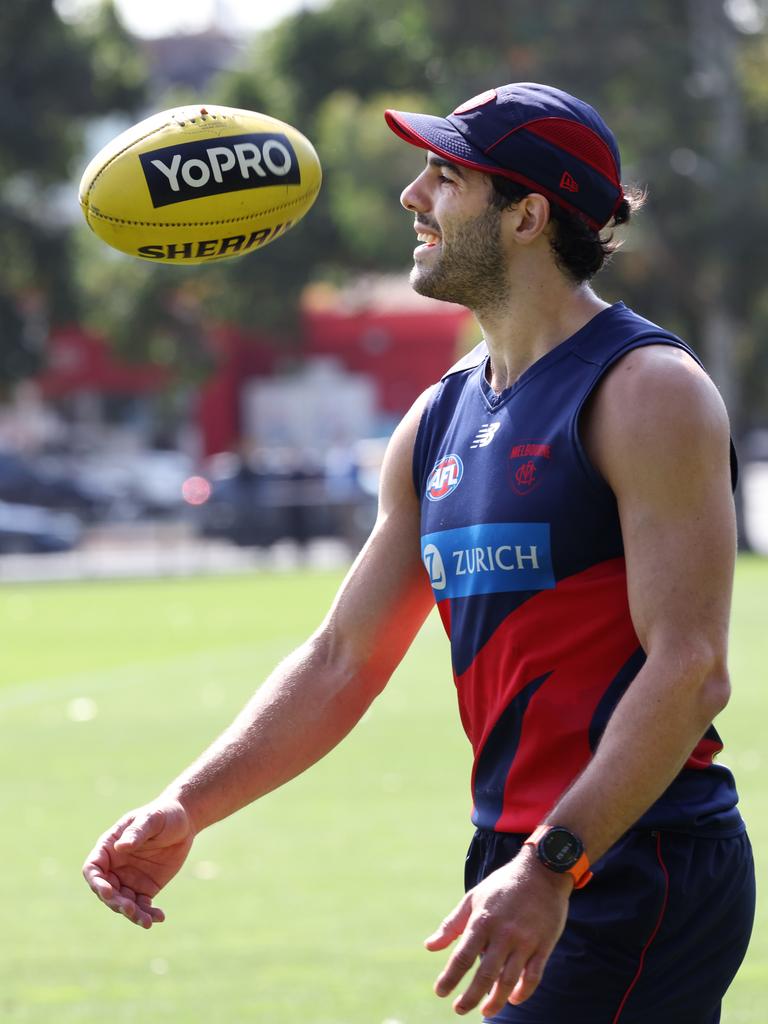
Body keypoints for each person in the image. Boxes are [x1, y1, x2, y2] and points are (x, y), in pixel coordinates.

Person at [83, 83, 755, 1023]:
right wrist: (187, 806)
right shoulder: (438, 418)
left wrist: (552, 863)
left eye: (446, 176)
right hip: (521, 856)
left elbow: (692, 671)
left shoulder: (646, 391)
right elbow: (342, 658)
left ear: (528, 216)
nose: (412, 196)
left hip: (634, 857)